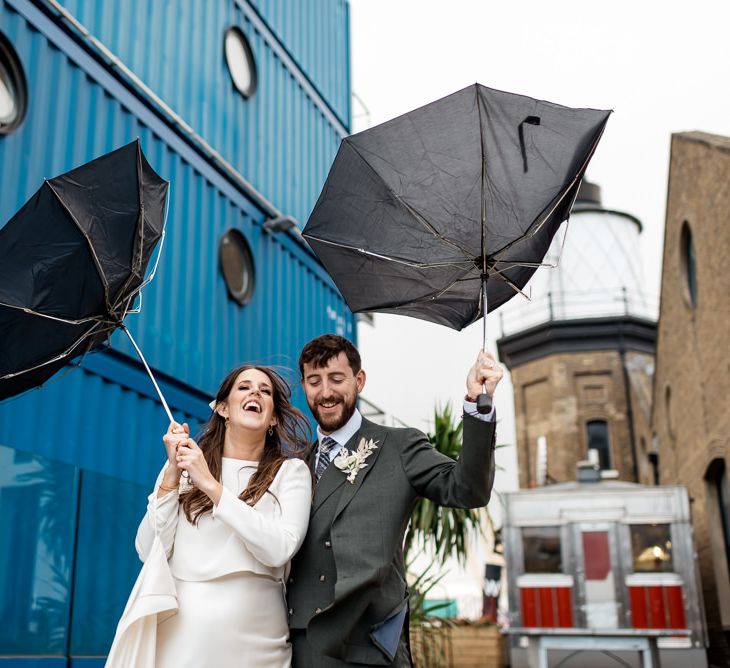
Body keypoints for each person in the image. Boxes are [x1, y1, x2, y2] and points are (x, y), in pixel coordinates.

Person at [287, 334, 503, 667]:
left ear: (359, 381)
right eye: (314, 381)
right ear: (304, 386)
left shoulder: (398, 446)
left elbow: (467, 489)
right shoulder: (295, 465)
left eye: (336, 378)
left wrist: (477, 402)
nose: (326, 392)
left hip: (369, 643)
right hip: (304, 644)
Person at [111, 364, 312, 668]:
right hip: (181, 639)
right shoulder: (185, 467)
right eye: (243, 387)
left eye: (265, 390)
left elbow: (279, 549)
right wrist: (171, 476)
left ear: (273, 417)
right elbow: (148, 549)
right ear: (222, 408)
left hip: (258, 644)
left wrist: (210, 485)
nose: (255, 392)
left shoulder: (290, 472)